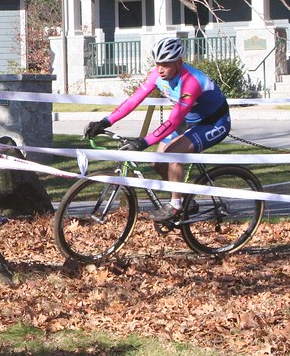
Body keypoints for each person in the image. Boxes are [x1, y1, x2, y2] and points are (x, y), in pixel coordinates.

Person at [84, 36, 231, 222]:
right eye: (158, 63)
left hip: (214, 122)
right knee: (157, 162)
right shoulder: (157, 74)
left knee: (172, 155)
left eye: (166, 64)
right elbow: (133, 100)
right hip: (188, 120)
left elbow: (174, 119)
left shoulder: (191, 81)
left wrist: (144, 142)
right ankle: (186, 200)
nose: (160, 69)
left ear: (179, 62)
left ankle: (176, 205)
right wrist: (105, 121)